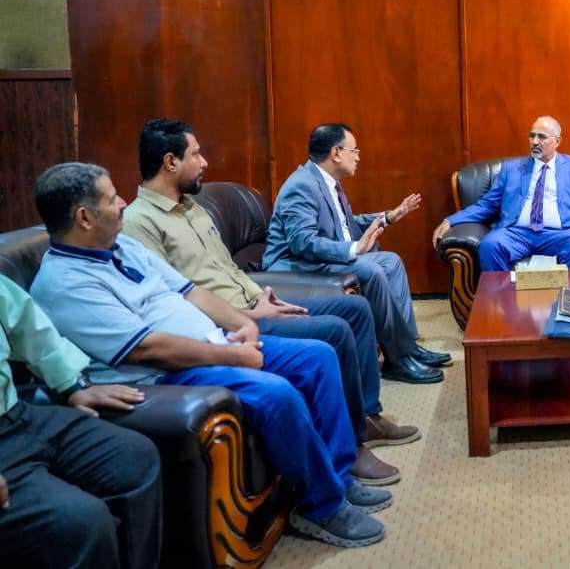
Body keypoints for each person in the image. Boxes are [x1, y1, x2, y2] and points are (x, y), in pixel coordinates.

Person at [30, 162, 392, 548]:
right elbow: (147, 348)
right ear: (84, 217)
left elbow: (191, 291)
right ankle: (322, 507)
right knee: (276, 394)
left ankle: (339, 476)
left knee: (317, 357)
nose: (122, 203)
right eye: (112, 198)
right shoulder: (64, 284)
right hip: (165, 374)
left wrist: (243, 323)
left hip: (217, 343)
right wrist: (233, 356)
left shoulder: (122, 246)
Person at [122, 119, 417, 473]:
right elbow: (170, 300)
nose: (204, 162)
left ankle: (368, 414)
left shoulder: (193, 208)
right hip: (228, 325)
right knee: (336, 331)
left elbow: (228, 269)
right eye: (196, 155)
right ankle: (352, 445)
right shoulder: (139, 223)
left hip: (255, 302)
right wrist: (248, 316)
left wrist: (262, 296)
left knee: (354, 308)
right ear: (170, 162)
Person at [263, 123, 450, 385]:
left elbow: (346, 225)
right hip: (295, 266)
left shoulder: (328, 181)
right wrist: (354, 249)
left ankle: (406, 346)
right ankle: (397, 359)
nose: (359, 157)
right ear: (336, 153)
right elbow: (302, 243)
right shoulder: (302, 185)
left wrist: (388, 217)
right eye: (355, 150)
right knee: (369, 269)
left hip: (316, 258)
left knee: (391, 261)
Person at [0, 273, 162, 569]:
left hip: (15, 412)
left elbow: (27, 324)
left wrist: (72, 385)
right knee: (81, 521)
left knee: (134, 456)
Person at [431, 116, 570, 270]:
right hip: (517, 233)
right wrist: (451, 220)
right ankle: (503, 305)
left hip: (559, 234)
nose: (534, 141)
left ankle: (564, 306)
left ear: (557, 141)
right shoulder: (511, 169)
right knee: (490, 245)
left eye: (541, 137)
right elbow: (487, 204)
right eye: (532, 135)